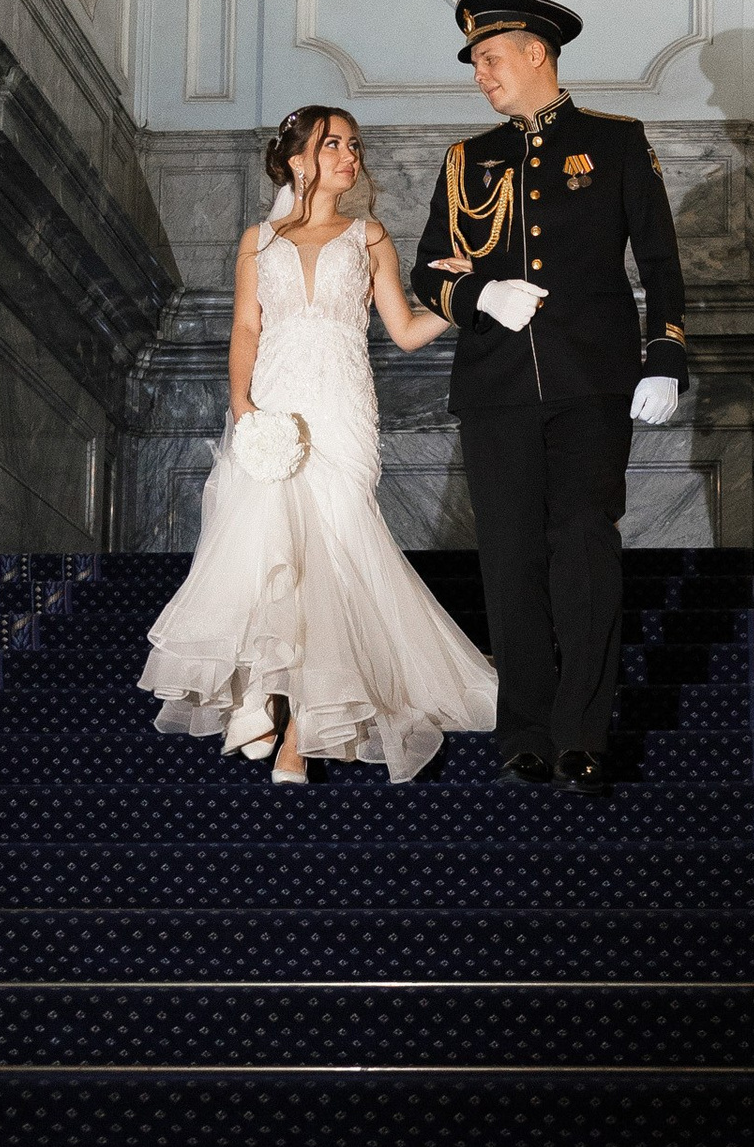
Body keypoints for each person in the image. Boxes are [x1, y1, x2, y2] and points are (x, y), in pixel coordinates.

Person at [142, 109, 496, 783]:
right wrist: (242, 406)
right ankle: (261, 700)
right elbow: (246, 327)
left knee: (332, 555)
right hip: (273, 405)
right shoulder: (258, 241)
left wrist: (463, 297)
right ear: (297, 159)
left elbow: (404, 331)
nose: (349, 156)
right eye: (333, 144)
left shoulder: (369, 236)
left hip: (342, 409)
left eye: (354, 146)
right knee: (270, 551)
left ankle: (300, 735)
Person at [410, 0, 688, 793]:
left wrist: (665, 355)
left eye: (489, 59)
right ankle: (524, 734)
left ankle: (582, 733)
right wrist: (478, 294)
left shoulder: (616, 141)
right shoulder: (466, 159)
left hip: (592, 380)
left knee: (584, 547)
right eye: (476, 63)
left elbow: (660, 263)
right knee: (509, 559)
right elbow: (428, 269)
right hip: (495, 387)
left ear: (536, 53)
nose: (481, 75)